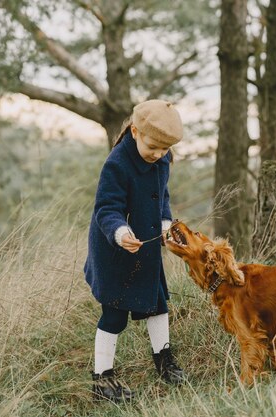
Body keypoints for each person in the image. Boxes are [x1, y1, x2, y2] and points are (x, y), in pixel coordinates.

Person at [84, 99, 186, 402]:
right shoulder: (117, 163)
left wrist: (166, 226)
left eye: (164, 149)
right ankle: (103, 380)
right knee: (114, 315)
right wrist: (121, 232)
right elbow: (106, 209)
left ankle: (163, 358)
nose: (158, 154)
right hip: (116, 251)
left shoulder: (162, 161)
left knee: (157, 304)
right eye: (153, 146)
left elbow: (162, 198)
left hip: (148, 249)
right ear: (135, 131)